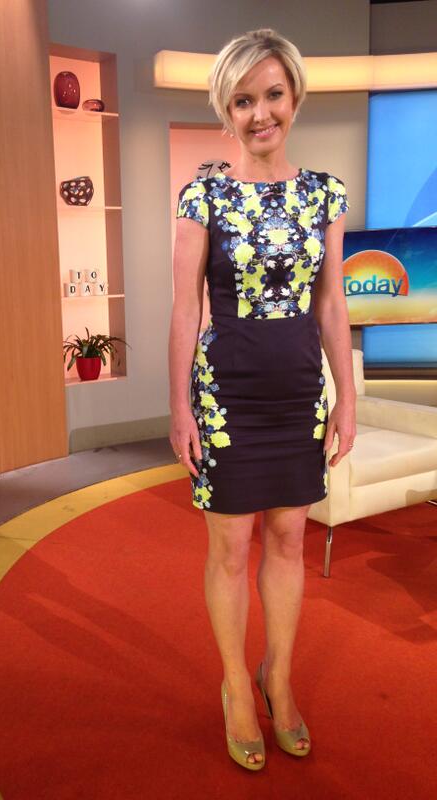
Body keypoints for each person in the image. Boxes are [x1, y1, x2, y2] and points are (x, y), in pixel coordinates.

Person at [168, 28, 357, 771]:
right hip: (227, 398)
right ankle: (234, 688)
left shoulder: (325, 195)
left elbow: (332, 304)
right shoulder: (203, 195)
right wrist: (179, 407)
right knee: (229, 549)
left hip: (299, 395)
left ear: (295, 97)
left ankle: (276, 675)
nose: (260, 113)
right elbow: (185, 308)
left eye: (273, 94)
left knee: (287, 541)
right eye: (243, 100)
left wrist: (345, 399)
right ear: (226, 109)